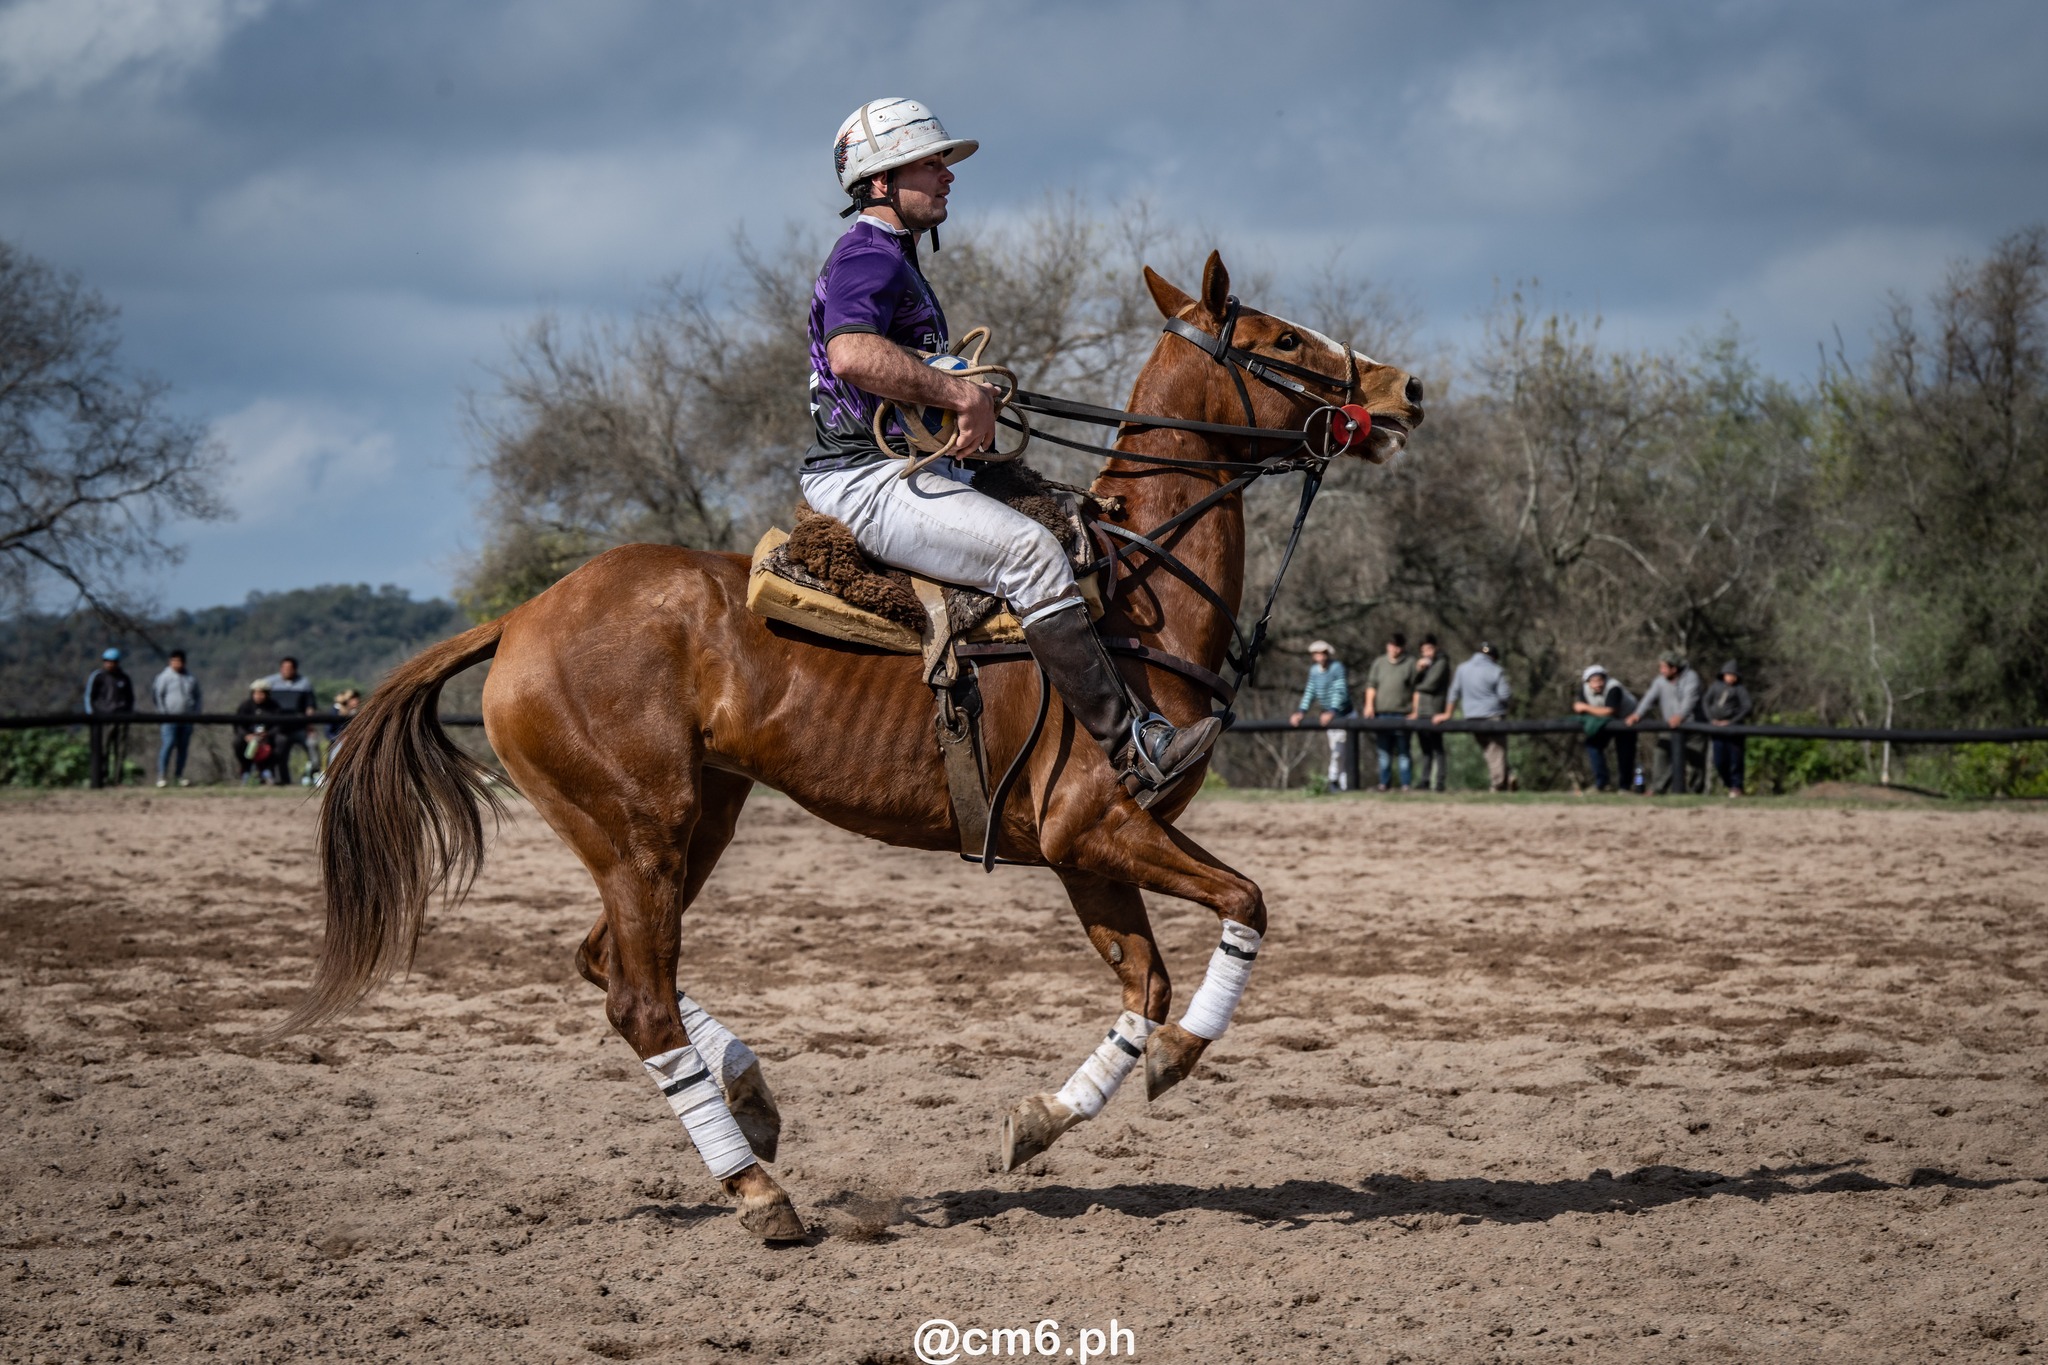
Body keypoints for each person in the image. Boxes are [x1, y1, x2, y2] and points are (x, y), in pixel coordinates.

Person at [796, 98, 1218, 800]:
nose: (947, 176)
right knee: (1029, 553)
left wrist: (960, 391)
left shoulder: (895, 259)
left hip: (903, 466)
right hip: (867, 477)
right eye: (930, 164)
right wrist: (959, 395)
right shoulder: (868, 253)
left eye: (942, 164)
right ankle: (1135, 744)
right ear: (879, 182)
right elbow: (850, 354)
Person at [1434, 641, 1513, 791]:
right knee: (1496, 750)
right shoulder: (1496, 670)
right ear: (1493, 657)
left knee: (1490, 750)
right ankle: (1499, 783)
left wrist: (1447, 713)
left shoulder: (1462, 669)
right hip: (1494, 716)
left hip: (1472, 718)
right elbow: (1505, 695)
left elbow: (1453, 692)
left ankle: (1507, 777)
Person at [1626, 650, 1705, 794]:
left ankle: (1696, 792)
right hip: (1669, 727)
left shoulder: (1691, 678)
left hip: (1692, 728)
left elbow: (1690, 699)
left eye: (1663, 667)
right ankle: (1657, 789)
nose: (1661, 670)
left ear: (1674, 669)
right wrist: (1637, 714)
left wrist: (1680, 716)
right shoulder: (1660, 681)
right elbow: (1649, 698)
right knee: (1661, 754)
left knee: (1696, 763)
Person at [1289, 640, 1352, 791]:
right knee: (1336, 751)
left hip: (1343, 714)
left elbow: (1340, 690)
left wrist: (1332, 711)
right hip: (1330, 716)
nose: (1320, 656)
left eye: (1323, 653)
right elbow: (1310, 692)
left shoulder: (1336, 668)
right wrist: (1301, 712)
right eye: (1317, 653)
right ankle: (1341, 785)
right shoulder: (1314, 671)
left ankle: (1335, 780)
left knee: (1341, 752)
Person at [1362, 631, 1417, 792]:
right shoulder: (1379, 663)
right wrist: (1369, 705)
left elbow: (1416, 689)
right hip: (1382, 714)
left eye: (1397, 646)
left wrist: (1414, 710)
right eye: (1391, 645)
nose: (1393, 649)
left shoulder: (1410, 663)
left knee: (1403, 752)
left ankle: (1406, 784)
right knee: (1383, 752)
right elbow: (1371, 685)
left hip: (1402, 714)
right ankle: (1384, 783)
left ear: (1402, 648)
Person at [1572, 664, 1638, 793]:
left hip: (1626, 720)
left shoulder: (1614, 688)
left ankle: (1625, 787)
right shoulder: (1583, 690)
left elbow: (1610, 711)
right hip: (1603, 722)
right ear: (1587, 682)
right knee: (1592, 745)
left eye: (1600, 680)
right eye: (1593, 681)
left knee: (1625, 753)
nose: (1597, 684)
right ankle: (1602, 784)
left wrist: (1585, 708)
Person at [261, 657, 317, 785]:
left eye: (288, 668)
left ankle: (314, 776)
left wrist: (309, 725)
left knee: (312, 746)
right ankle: (281, 780)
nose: (285, 671)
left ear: (295, 669)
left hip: (299, 727)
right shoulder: (269, 683)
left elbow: (310, 706)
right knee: (279, 753)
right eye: (283, 668)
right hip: (279, 728)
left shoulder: (304, 683)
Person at [151, 650, 202, 788]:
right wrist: (163, 713)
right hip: (169, 718)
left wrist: (196, 713)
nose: (176, 664)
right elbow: (157, 696)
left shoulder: (191, 678)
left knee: (183, 748)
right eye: (174, 661)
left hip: (187, 718)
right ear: (170, 661)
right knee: (168, 744)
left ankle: (178, 776)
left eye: (179, 661)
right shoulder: (163, 677)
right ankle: (162, 776)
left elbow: (197, 696)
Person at [1703, 659, 1753, 797]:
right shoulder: (1715, 687)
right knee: (1719, 761)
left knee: (1735, 760)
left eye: (1733, 675)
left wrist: (1731, 721)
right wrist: (1710, 719)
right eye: (1728, 674)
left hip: (1734, 730)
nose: (1731, 677)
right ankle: (1729, 784)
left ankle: (1736, 786)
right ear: (1724, 675)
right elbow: (1706, 701)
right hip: (1717, 729)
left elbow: (1747, 707)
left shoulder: (1740, 690)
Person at [85, 647, 135, 786]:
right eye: (107, 661)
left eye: (112, 661)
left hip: (122, 719)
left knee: (120, 750)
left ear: (117, 662)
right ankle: (102, 778)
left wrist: (128, 714)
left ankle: (118, 779)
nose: (109, 664)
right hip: (103, 719)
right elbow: (89, 697)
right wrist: (92, 715)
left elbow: (130, 698)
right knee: (103, 749)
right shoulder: (98, 677)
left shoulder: (124, 678)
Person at [1410, 634, 1450, 792]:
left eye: (1429, 649)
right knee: (1425, 749)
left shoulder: (1442, 663)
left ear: (1435, 648)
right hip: (1422, 711)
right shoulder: (1426, 665)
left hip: (1434, 710)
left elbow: (1430, 685)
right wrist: (1418, 671)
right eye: (1423, 650)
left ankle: (1439, 781)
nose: (1426, 653)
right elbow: (1415, 681)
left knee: (1437, 747)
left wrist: (1415, 687)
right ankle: (1425, 780)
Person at [234, 681, 283, 786]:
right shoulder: (245, 706)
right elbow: (238, 725)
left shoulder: (274, 706)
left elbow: (278, 725)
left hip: (268, 738)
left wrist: (268, 734)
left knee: (281, 741)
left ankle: (268, 771)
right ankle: (246, 770)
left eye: (261, 693)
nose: (259, 696)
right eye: (256, 693)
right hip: (248, 739)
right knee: (237, 742)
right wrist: (247, 735)